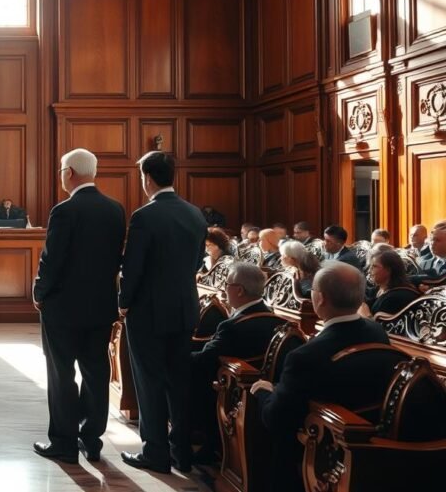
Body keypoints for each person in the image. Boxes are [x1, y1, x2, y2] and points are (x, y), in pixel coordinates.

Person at [251, 261, 394, 492]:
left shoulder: (305, 356)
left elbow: (276, 418)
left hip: (317, 452)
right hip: (372, 440)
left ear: (321, 299)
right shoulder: (378, 332)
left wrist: (264, 391)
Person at [31, 148, 126, 464]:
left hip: (63, 308)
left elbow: (52, 260)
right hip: (100, 307)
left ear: (68, 172)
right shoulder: (116, 210)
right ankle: (92, 440)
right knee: (96, 371)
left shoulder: (65, 210)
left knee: (61, 373)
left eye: (61, 169)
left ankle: (64, 442)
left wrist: (39, 292)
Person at [118, 151, 207, 474]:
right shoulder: (195, 214)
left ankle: (155, 453)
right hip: (184, 308)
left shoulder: (144, 216)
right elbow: (198, 262)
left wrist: (123, 302)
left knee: (149, 382)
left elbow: (133, 268)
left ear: (147, 179)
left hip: (148, 312)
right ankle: (181, 453)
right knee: (178, 382)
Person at [189, 263, 283, 465]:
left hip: (230, 392)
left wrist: (176, 358)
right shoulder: (275, 319)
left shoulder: (231, 326)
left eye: (227, 284)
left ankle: (194, 440)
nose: (224, 288)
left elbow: (205, 360)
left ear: (239, 290)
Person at [361, 250, 420, 317]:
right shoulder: (380, 288)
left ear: (389, 270)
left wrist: (366, 315)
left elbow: (380, 326)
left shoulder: (396, 297)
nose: (369, 271)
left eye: (374, 266)